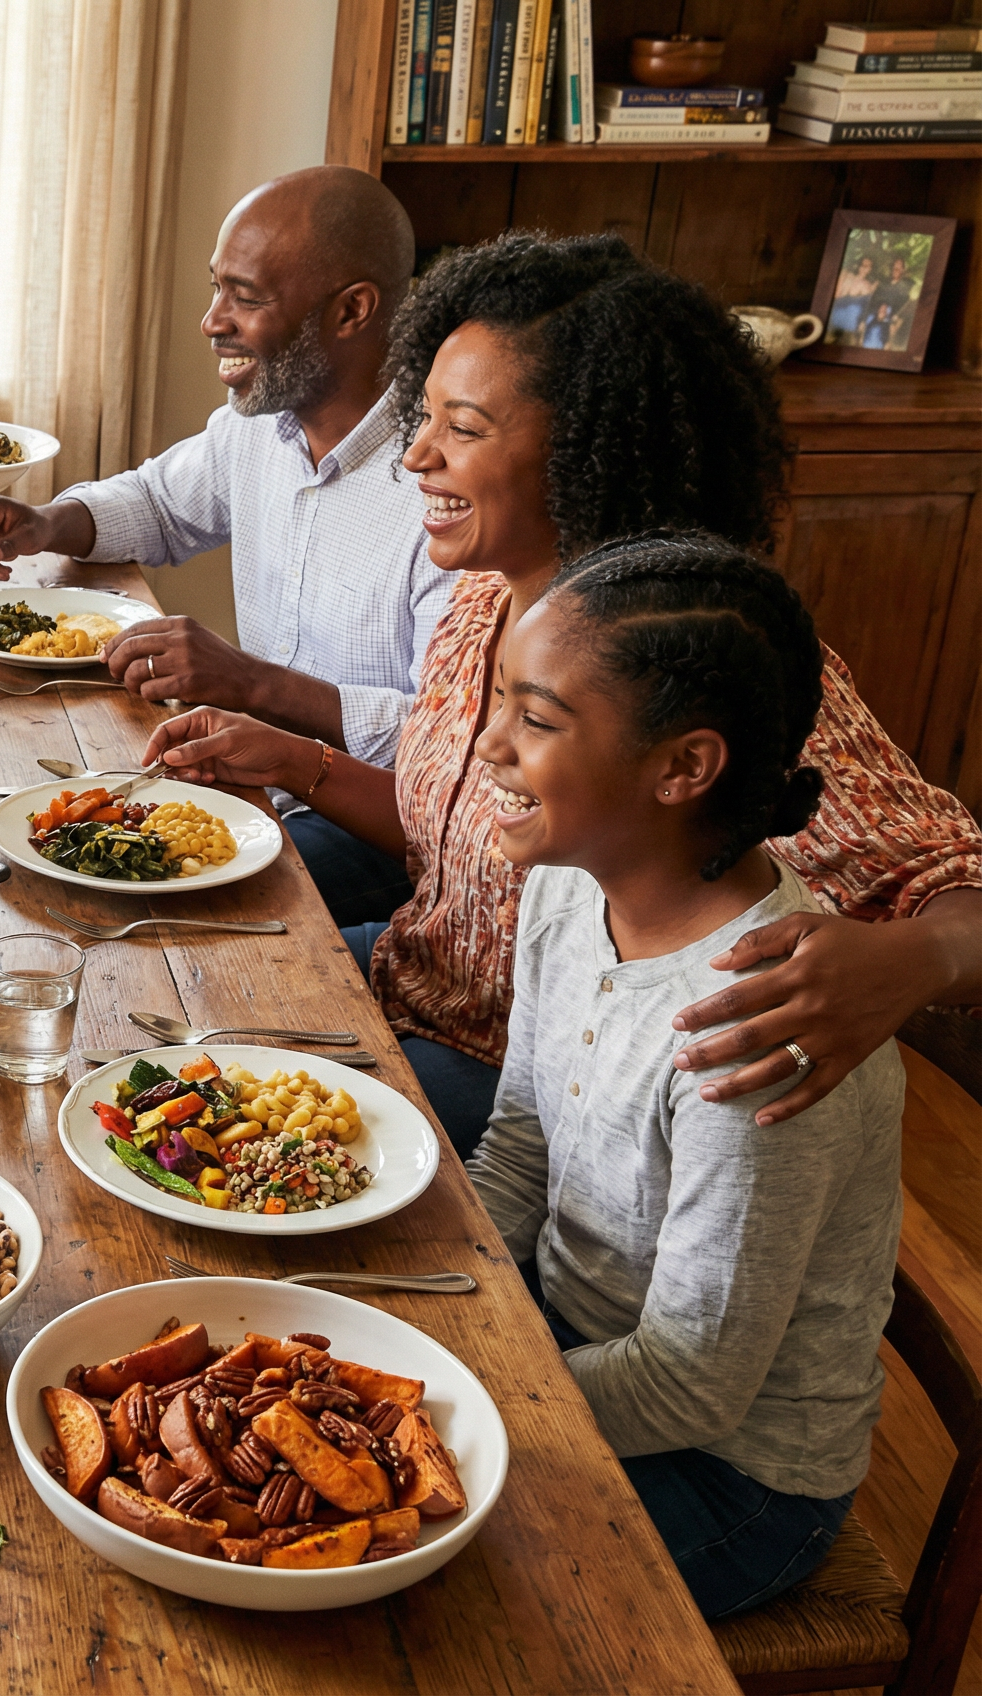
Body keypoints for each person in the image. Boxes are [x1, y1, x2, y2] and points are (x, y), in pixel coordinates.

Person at [139, 232, 982, 1155]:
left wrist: (911, 960)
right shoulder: (482, 596)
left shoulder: (700, 662)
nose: (415, 456)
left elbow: (953, 885)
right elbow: (460, 832)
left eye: (462, 429)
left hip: (529, 1088)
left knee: (197, 1128)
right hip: (413, 977)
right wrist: (301, 762)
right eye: (423, 417)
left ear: (588, 449)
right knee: (151, 996)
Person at [466, 532, 898, 1621]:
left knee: (404, 1582)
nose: (487, 744)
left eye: (537, 719)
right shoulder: (574, 881)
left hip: (728, 1475)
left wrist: (450, 1399)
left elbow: (690, 1379)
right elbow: (517, 1143)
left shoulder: (760, 1019)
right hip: (571, 1349)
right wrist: (456, 1318)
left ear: (681, 767)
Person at [0, 166, 454, 926]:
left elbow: (439, 742)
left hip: (378, 823)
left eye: (245, 297)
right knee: (37, 850)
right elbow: (156, 502)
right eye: (216, 287)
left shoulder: (444, 484)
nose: (211, 319)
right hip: (254, 780)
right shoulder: (258, 426)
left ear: (352, 310)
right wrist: (49, 521)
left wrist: (255, 684)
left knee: (125, 909)